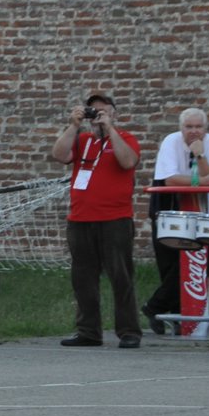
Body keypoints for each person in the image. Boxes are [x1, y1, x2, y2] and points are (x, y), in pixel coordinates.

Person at [50, 92, 142, 348]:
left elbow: (128, 161)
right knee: (83, 278)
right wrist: (74, 124)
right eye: (93, 110)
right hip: (80, 218)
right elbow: (58, 154)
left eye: (103, 110)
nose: (97, 114)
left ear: (114, 112)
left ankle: (129, 331)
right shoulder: (83, 141)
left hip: (115, 219)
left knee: (121, 276)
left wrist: (109, 128)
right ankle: (88, 331)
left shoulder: (126, 139)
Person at [141, 108, 209, 335]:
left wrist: (200, 155)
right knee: (169, 262)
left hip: (200, 204)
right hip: (169, 202)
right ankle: (172, 316)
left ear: (206, 129)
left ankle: (156, 308)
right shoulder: (171, 141)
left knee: (194, 258)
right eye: (189, 127)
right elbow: (169, 179)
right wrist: (202, 179)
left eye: (199, 127)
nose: (194, 131)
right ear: (181, 128)